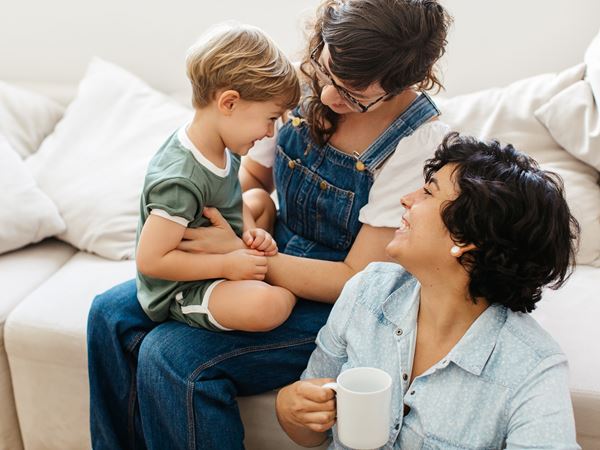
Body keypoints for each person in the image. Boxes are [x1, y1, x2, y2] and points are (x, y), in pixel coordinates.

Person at [87, 0, 452, 448]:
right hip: (258, 250)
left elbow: (356, 279)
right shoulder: (297, 84)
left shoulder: (417, 140)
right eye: (325, 71)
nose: (330, 96)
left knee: (172, 356)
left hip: (337, 298)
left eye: (354, 93)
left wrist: (241, 257)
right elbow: (251, 176)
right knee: (109, 314)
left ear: (402, 84)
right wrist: (217, 226)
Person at [276, 132, 581, 449]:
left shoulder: (532, 369)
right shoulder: (367, 293)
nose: (406, 198)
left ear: (464, 238)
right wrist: (289, 409)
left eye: (428, 192)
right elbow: (314, 433)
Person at [135, 24, 299, 333]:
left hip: (218, 246)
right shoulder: (179, 181)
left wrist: (250, 233)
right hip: (183, 283)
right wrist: (226, 264)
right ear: (229, 103)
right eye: (270, 119)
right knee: (266, 306)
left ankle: (258, 267)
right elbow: (152, 260)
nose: (270, 133)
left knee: (260, 200)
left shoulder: (224, 143)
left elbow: (233, 201)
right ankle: (291, 295)